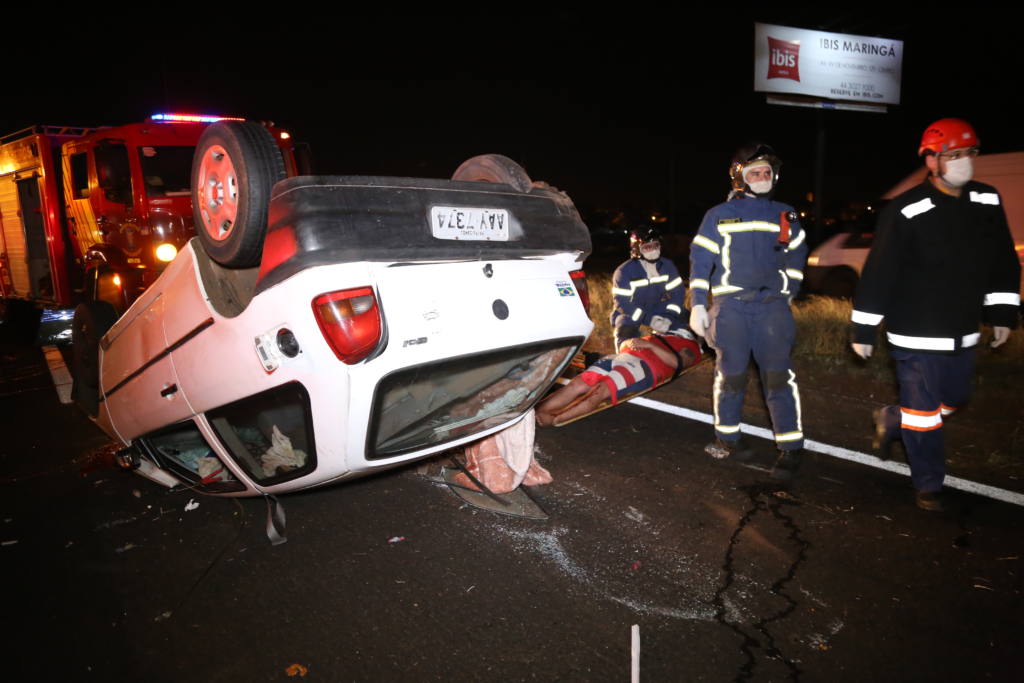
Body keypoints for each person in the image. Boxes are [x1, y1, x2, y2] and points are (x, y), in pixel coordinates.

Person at [850, 118, 1020, 511]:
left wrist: (1002, 313)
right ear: (932, 160)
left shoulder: (988, 200)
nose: (964, 162)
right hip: (915, 333)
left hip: (962, 329)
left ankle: (895, 419)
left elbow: (1002, 262)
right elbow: (880, 270)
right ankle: (928, 484)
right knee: (925, 414)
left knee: (957, 398)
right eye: (954, 155)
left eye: (969, 154)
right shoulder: (907, 209)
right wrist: (863, 327)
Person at [688, 143, 807, 481]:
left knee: (778, 378)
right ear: (739, 176)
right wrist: (698, 303)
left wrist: (789, 292)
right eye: (755, 171)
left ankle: (791, 447)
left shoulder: (786, 213)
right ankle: (727, 438)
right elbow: (701, 260)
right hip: (731, 309)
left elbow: (797, 254)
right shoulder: (718, 215)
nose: (762, 176)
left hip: (771, 308)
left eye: (767, 171)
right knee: (731, 376)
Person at [536, 329, 702, 427]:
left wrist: (650, 345)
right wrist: (631, 342)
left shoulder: (691, 346)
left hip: (643, 366)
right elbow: (624, 345)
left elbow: (679, 363)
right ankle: (538, 414)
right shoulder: (660, 334)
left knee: (598, 391)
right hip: (619, 357)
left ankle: (555, 419)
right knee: (578, 383)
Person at [610, 226, 687, 351]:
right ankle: (624, 352)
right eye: (647, 247)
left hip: (658, 307)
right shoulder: (623, 271)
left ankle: (678, 345)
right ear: (637, 249)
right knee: (625, 328)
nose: (653, 251)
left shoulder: (667, 266)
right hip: (632, 311)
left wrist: (669, 317)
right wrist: (649, 320)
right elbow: (622, 303)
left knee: (684, 315)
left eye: (655, 245)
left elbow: (678, 294)